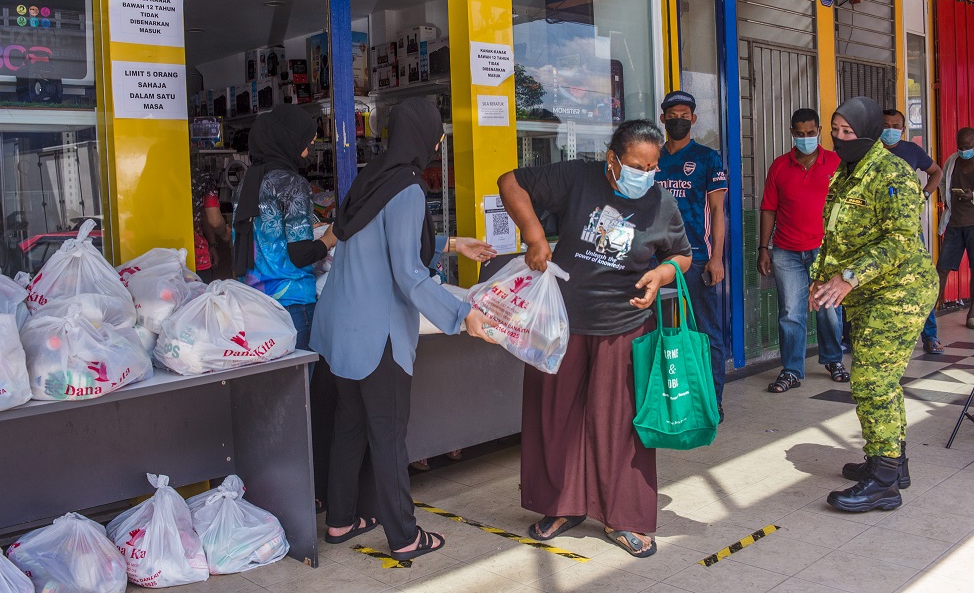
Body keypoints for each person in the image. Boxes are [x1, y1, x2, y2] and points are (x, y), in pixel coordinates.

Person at [311, 98, 498, 562]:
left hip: (340, 329)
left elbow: (381, 243)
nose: (437, 144)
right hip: (378, 335)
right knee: (389, 437)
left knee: (349, 428)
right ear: (426, 138)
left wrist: (452, 245)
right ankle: (405, 537)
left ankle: (340, 520)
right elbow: (408, 274)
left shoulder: (371, 178)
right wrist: (461, 316)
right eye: (437, 135)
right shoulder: (409, 188)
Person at [498, 119, 693, 558]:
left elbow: (682, 254)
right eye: (637, 164)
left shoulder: (660, 202)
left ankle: (624, 517)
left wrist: (661, 272)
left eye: (653, 165)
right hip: (561, 322)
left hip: (623, 324)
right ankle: (561, 506)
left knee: (622, 425)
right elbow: (510, 182)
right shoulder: (578, 176)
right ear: (613, 159)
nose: (646, 172)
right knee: (555, 417)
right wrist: (533, 234)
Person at [810, 96, 937, 513]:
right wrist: (818, 282)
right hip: (866, 292)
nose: (838, 138)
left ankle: (884, 482)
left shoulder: (892, 172)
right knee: (879, 379)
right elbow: (831, 237)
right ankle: (892, 463)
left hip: (901, 289)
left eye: (848, 132)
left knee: (871, 378)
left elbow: (900, 241)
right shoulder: (843, 175)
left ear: (867, 132)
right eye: (836, 130)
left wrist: (847, 278)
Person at [232, 104, 337, 353]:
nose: (308, 151)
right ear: (287, 140)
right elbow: (300, 255)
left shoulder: (245, 185)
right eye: (306, 143)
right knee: (301, 384)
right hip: (292, 304)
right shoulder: (292, 184)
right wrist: (330, 238)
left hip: (253, 303)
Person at [758, 108, 846, 392]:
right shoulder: (780, 166)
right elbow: (768, 209)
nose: (806, 138)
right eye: (800, 133)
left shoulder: (835, 162)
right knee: (791, 312)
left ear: (819, 131)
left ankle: (833, 360)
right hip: (786, 251)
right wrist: (763, 247)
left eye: (811, 133)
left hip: (826, 251)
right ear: (792, 133)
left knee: (829, 309)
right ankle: (792, 370)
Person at [655, 91, 728, 419]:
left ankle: (712, 401)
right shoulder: (653, 158)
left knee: (705, 331)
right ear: (663, 119)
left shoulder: (708, 158)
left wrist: (717, 259)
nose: (678, 120)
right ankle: (678, 398)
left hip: (697, 260)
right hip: (663, 263)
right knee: (671, 330)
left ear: (694, 119)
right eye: (672, 115)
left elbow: (717, 211)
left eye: (684, 115)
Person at [882, 109, 945, 353]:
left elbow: (937, 172)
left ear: (903, 128)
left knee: (920, 281)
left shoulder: (911, 151)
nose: (890, 129)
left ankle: (930, 336)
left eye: (895, 125)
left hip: (908, 228)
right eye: (885, 125)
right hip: (876, 229)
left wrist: (925, 194)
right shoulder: (869, 152)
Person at [936, 127, 974, 330]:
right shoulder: (952, 160)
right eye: (960, 147)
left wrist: (972, 196)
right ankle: (930, 311)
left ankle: (972, 313)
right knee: (942, 268)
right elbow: (942, 181)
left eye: (967, 147)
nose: (963, 150)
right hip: (954, 223)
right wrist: (947, 200)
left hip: (973, 223)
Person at [191, 165, 230, 283]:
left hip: (160, 260)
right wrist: (226, 234)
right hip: (197, 259)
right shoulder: (201, 176)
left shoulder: (153, 176)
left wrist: (212, 244)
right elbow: (215, 221)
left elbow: (202, 213)